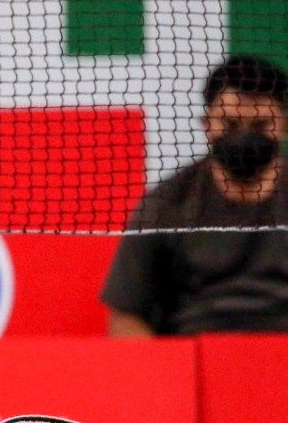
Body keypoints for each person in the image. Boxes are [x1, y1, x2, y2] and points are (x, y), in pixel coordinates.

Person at [101, 55, 288, 336]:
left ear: (283, 125)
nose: (245, 136)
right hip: (195, 356)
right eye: (231, 124)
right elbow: (127, 314)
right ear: (206, 123)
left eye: (261, 125)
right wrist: (156, 377)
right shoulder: (166, 203)